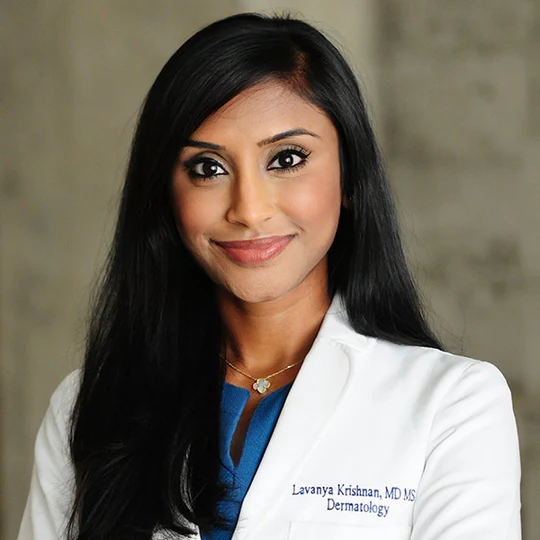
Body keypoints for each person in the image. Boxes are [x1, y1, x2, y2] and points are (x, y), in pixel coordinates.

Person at [17, 11, 521, 540]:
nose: (249, 210)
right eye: (208, 168)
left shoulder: (454, 405)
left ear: (349, 176)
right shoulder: (89, 405)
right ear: (166, 195)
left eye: (286, 158)